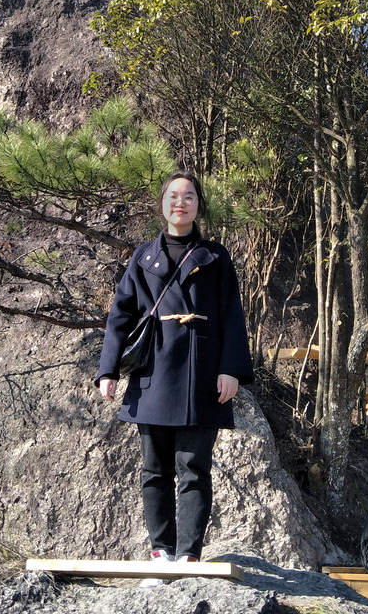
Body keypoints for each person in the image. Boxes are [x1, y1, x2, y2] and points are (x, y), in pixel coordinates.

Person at [95, 172, 254, 581]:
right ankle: (160, 551)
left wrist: (231, 369)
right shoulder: (143, 256)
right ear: (162, 204)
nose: (180, 203)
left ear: (199, 205)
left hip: (203, 373)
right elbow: (120, 314)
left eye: (189, 196)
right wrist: (108, 369)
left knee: (194, 468)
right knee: (154, 469)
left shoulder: (216, 257)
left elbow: (232, 316)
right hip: (154, 372)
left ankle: (188, 555)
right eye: (173, 196)